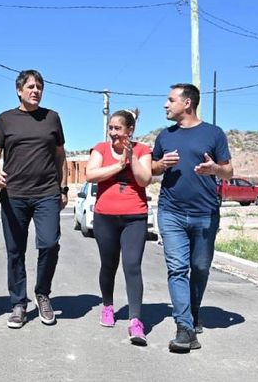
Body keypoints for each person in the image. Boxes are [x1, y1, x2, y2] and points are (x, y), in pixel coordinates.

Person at [151, 83, 233, 352]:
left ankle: (193, 311)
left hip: (205, 213)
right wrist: (161, 164)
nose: (165, 104)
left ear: (187, 103)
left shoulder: (214, 133)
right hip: (171, 212)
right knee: (177, 268)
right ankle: (184, 328)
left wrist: (214, 168)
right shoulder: (165, 136)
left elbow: (229, 171)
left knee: (200, 267)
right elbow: (152, 168)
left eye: (170, 99)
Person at [0, 69, 68, 329]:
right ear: (19, 90)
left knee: (49, 244)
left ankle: (42, 294)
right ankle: (18, 304)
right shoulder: (5, 119)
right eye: (31, 86)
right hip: (14, 195)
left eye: (39, 87)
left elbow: (60, 156)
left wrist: (63, 189)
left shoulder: (52, 118)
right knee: (15, 251)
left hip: (46, 193)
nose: (36, 91)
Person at [85, 109, 152, 345]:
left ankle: (135, 320)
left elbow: (144, 179)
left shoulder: (143, 150)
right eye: (110, 128)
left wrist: (131, 157)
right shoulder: (101, 149)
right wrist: (119, 165)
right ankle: (107, 306)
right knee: (109, 264)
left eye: (117, 128)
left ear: (129, 130)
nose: (112, 132)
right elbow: (90, 175)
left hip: (135, 217)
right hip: (105, 217)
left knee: (132, 266)